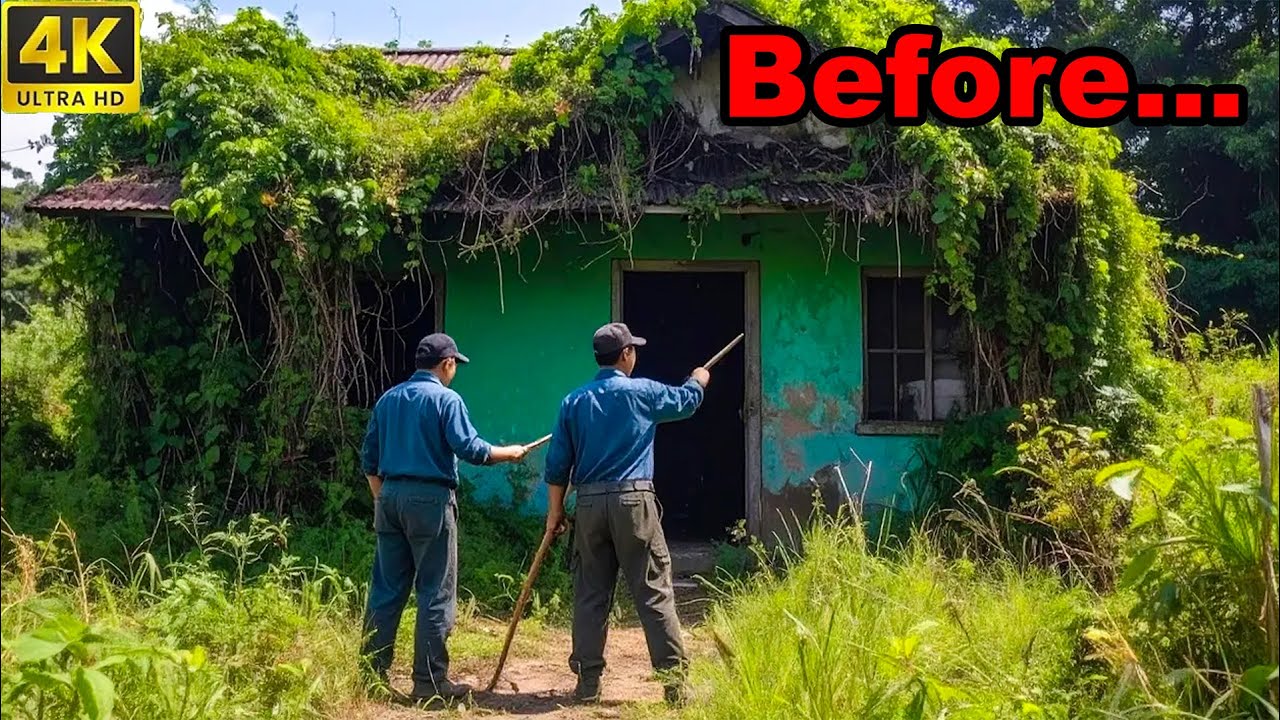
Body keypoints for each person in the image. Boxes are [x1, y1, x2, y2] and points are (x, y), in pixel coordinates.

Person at [542, 322, 710, 705]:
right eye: (633, 349)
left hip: (588, 506)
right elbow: (685, 402)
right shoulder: (643, 392)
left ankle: (587, 683)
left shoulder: (573, 402)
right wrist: (698, 380)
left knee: (590, 594)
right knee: (653, 592)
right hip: (634, 503)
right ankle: (674, 686)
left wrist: (555, 513)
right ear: (626, 354)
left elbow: (557, 467)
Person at [360, 332, 528, 703]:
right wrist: (509, 452)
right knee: (435, 590)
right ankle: (429, 683)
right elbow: (469, 448)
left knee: (386, 590)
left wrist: (382, 499)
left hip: (389, 497)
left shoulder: (388, 400)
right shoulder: (446, 399)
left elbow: (369, 460)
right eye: (455, 366)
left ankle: (371, 676)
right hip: (430, 500)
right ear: (447, 363)